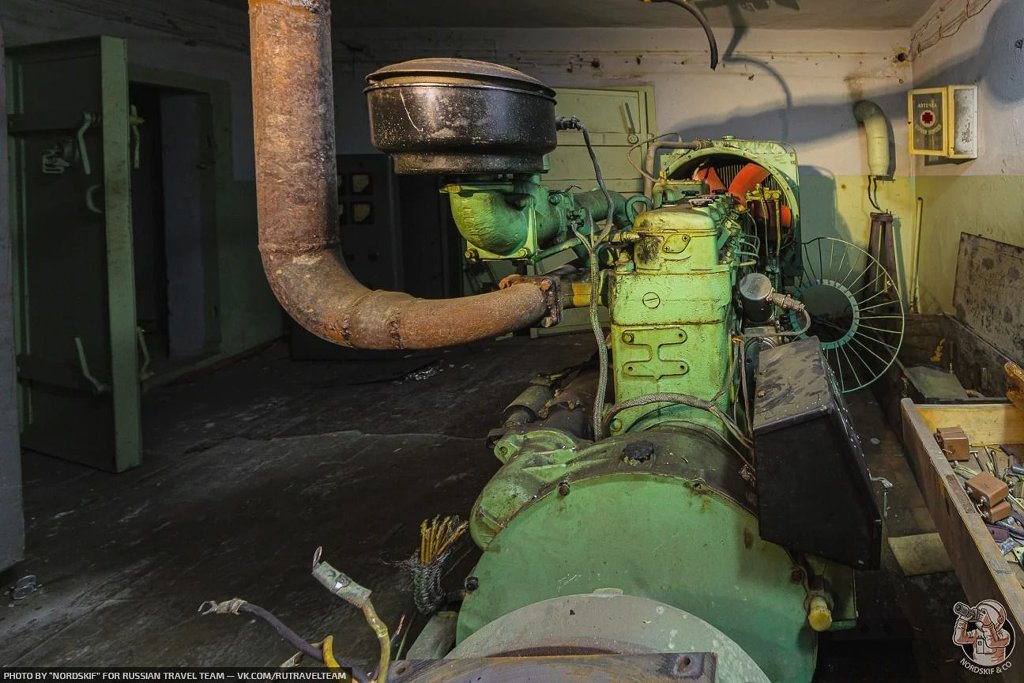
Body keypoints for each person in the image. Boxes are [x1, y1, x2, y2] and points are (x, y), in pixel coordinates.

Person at [953, 599, 1012, 667]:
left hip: (997, 670)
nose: (980, 616)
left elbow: (992, 643)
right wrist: (962, 621)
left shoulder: (1004, 635)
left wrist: (988, 625)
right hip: (978, 669)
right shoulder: (977, 633)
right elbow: (959, 639)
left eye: (984, 612)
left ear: (1000, 619)